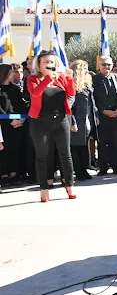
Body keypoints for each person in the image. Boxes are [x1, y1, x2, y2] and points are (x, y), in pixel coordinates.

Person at [27, 50, 76, 202]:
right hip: (40, 121)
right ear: (39, 65)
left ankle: (69, 186)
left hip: (60, 120)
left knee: (65, 155)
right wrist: (47, 79)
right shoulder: (32, 79)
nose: (49, 64)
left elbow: (71, 93)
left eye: (52, 62)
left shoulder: (61, 78)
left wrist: (69, 78)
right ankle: (44, 190)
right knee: (42, 156)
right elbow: (35, 93)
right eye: (46, 62)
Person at [93, 56, 117, 176]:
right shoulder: (94, 79)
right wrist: (103, 111)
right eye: (103, 64)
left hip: (116, 115)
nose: (106, 67)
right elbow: (94, 99)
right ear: (99, 66)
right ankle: (103, 168)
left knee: (116, 143)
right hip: (102, 116)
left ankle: (116, 166)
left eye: (108, 64)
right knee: (102, 144)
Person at [69, 60, 98, 181]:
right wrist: (72, 122)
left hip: (87, 119)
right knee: (76, 147)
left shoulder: (87, 85)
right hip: (77, 119)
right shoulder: (72, 85)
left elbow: (92, 103)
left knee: (85, 146)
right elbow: (70, 106)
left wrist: (95, 116)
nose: (87, 70)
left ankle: (84, 168)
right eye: (84, 68)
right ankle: (78, 171)